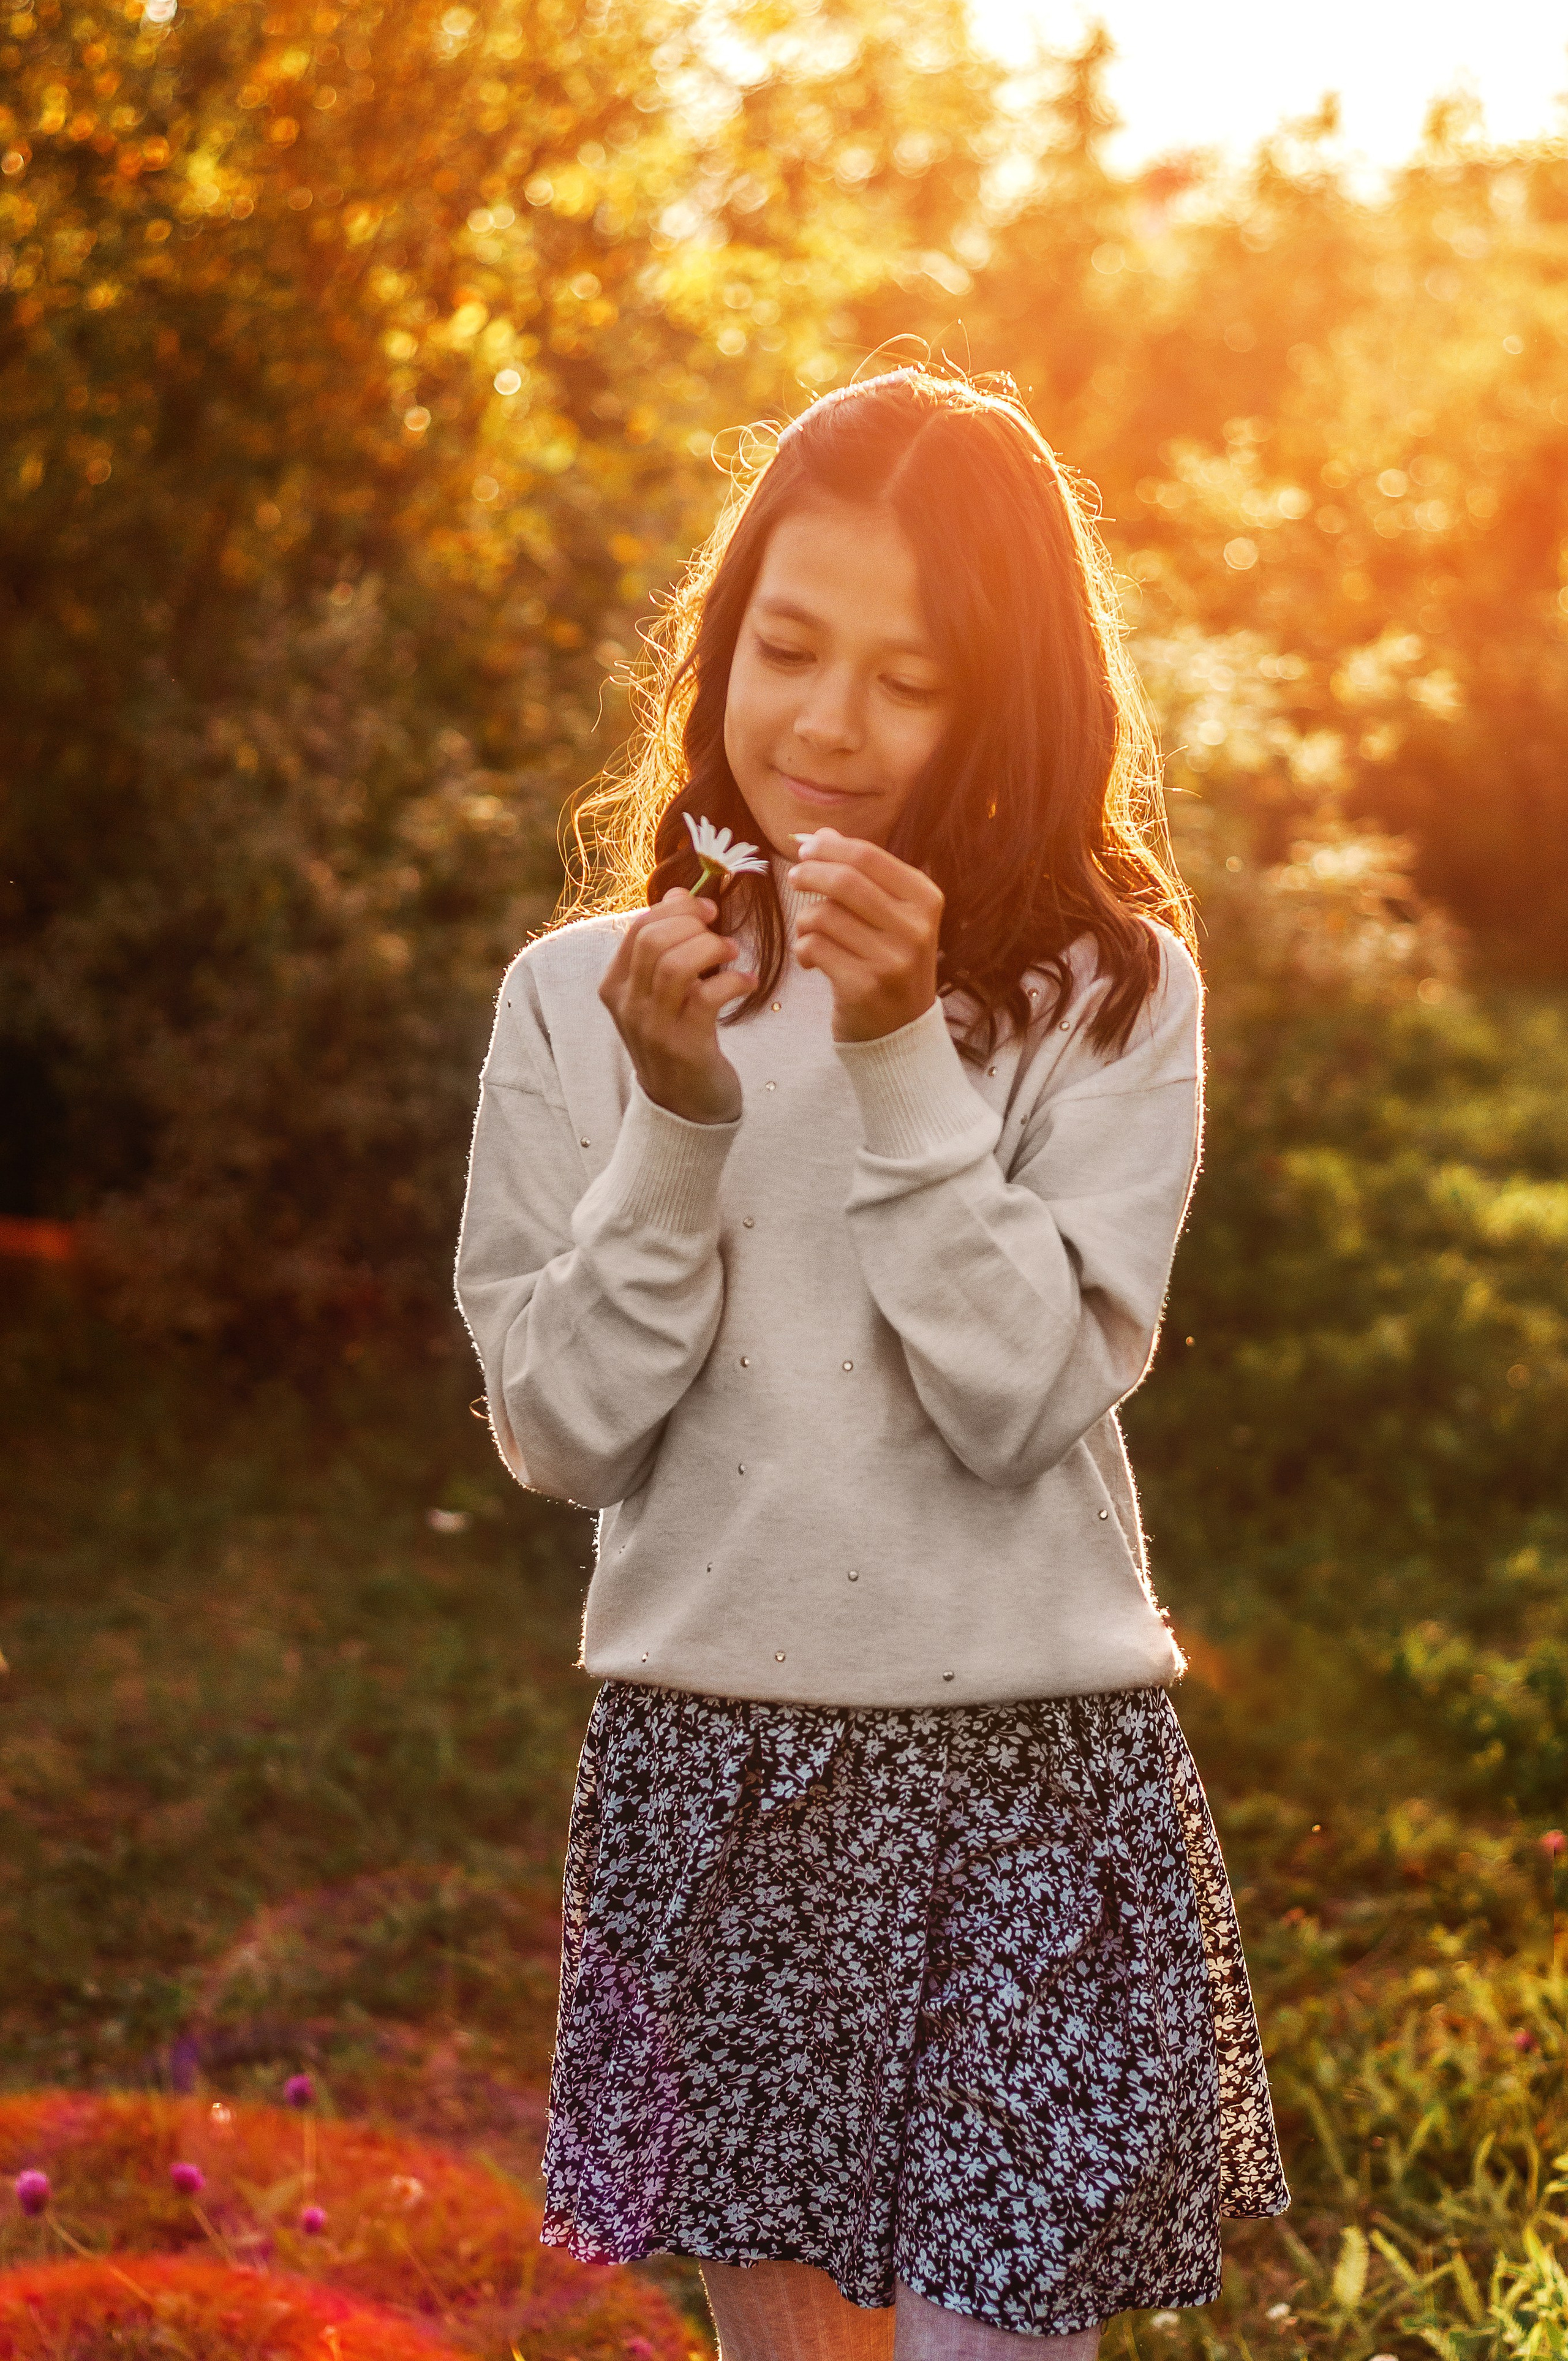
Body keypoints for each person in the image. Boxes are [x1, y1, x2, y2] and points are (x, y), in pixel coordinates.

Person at [456, 366, 1288, 2360]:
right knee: (798, 2349)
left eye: (907, 682)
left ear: (1002, 701)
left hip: (1021, 1762)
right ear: (721, 645)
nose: (827, 726)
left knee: (999, 2345)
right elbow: (561, 1436)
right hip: (717, 1765)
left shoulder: (1107, 989)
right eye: (788, 648)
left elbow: (1019, 1394)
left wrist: (899, 1045)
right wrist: (678, 1122)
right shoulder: (584, 998)